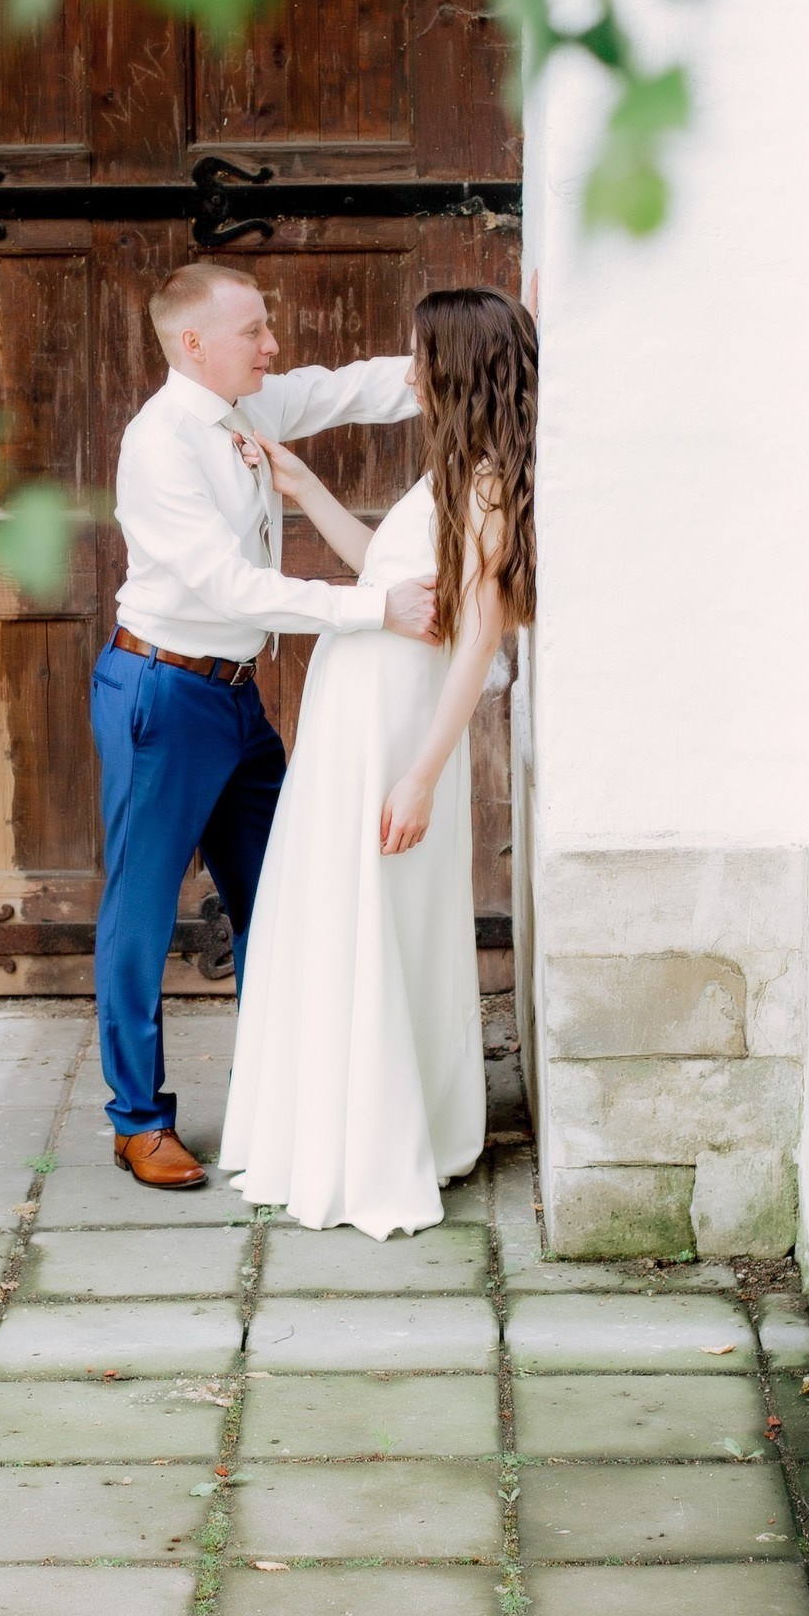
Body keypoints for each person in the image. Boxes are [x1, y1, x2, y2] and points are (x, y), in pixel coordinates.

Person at [91, 261, 437, 1190]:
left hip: (238, 698)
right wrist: (375, 606)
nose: (273, 347)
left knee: (275, 899)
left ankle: (281, 1096)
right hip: (161, 695)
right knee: (142, 904)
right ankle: (137, 1120)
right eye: (255, 333)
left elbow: (343, 389)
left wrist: (452, 361)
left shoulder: (248, 406)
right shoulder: (160, 442)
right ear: (194, 344)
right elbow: (226, 586)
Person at [220, 284, 537, 1237]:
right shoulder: (455, 469)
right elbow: (387, 581)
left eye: (419, 359)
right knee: (340, 911)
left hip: (396, 731)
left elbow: (477, 640)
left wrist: (422, 774)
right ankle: (339, 1125)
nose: (409, 374)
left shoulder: (488, 486)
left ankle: (381, 1140)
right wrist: (304, 486)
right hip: (355, 717)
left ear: (456, 367)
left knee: (375, 912)